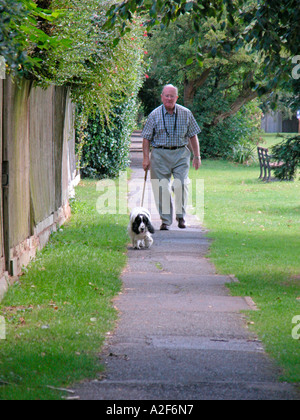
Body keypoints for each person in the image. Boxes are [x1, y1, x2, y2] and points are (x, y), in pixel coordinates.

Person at [142, 84, 201, 230]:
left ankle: (181, 217)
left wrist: (197, 156)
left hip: (180, 153)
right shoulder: (154, 114)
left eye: (172, 96)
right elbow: (146, 138)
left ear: (177, 98)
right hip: (159, 154)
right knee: (161, 187)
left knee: (181, 184)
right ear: (162, 97)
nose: (169, 98)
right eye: (166, 95)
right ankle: (166, 221)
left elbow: (193, 135)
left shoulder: (186, 113)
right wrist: (146, 158)